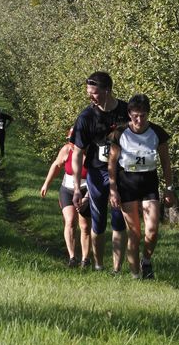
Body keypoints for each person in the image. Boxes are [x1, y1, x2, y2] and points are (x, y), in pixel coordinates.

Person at [107, 94, 175, 279]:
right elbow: (111, 163)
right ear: (129, 114)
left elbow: (166, 163)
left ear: (148, 114)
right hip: (127, 183)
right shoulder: (120, 133)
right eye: (135, 115)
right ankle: (135, 276)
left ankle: (146, 261)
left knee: (152, 231)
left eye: (143, 115)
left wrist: (169, 189)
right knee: (134, 234)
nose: (139, 120)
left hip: (149, 182)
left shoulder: (157, 132)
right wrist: (113, 189)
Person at [70, 71, 129, 272]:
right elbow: (77, 153)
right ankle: (98, 265)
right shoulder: (86, 117)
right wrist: (77, 188)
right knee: (98, 221)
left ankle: (117, 269)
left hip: (122, 173)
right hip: (97, 173)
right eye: (88, 92)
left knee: (119, 220)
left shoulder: (126, 111)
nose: (90, 96)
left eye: (94, 93)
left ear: (107, 91)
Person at [41, 128, 92, 267]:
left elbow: (98, 176)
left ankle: (85, 259)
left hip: (86, 191)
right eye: (70, 140)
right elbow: (56, 165)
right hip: (67, 190)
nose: (72, 143)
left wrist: (88, 196)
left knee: (85, 226)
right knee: (70, 221)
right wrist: (46, 184)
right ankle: (72, 257)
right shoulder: (66, 150)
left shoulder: (92, 153)